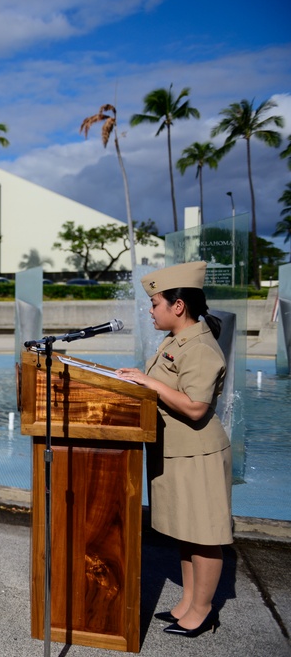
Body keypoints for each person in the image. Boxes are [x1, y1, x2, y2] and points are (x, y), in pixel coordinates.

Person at [114, 261, 230, 638]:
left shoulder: (200, 347)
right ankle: (187, 603)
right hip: (176, 451)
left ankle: (203, 609)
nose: (150, 310)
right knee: (184, 529)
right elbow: (165, 386)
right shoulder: (174, 341)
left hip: (198, 454)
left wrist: (147, 381)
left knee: (204, 534)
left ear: (177, 306)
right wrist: (136, 381)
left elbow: (196, 407)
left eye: (155, 303)